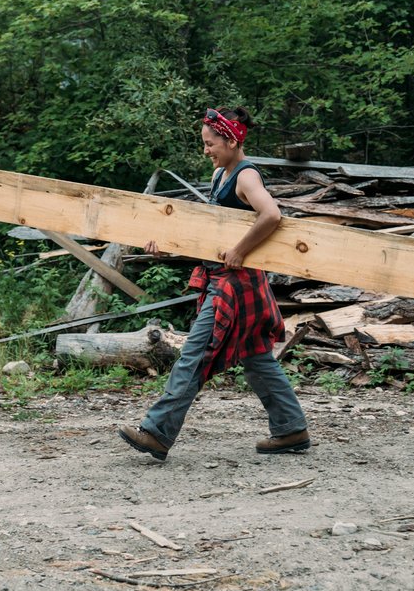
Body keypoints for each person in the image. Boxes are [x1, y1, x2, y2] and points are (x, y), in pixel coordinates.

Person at [118, 106, 310, 461]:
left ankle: (157, 433)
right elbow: (209, 231)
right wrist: (166, 246)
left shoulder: (245, 176)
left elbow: (272, 215)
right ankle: (290, 429)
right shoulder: (221, 174)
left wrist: (239, 250)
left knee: (194, 355)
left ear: (232, 139)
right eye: (204, 144)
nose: (206, 150)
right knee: (256, 358)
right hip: (231, 281)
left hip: (235, 285)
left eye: (211, 144)